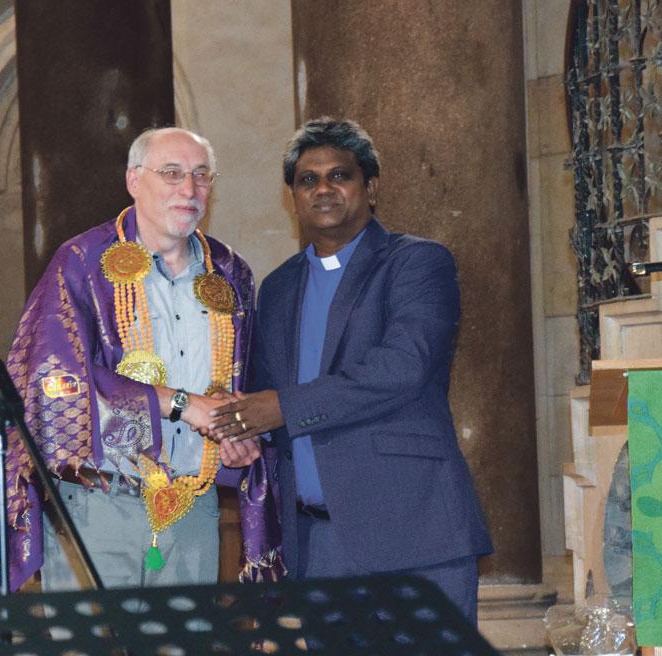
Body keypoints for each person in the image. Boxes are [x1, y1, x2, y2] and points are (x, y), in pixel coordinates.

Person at [0, 127, 282, 592]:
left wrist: (238, 431)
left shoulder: (231, 272)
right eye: (171, 173)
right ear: (134, 180)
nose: (188, 189)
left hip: (195, 507)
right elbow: (53, 377)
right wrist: (180, 403)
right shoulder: (83, 260)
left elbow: (246, 377)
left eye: (201, 175)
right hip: (101, 500)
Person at [208, 117, 492, 621]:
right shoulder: (276, 289)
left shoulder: (417, 263)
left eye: (339, 176)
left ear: (370, 188)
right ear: (293, 195)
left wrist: (280, 409)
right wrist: (241, 433)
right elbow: (262, 398)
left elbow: (402, 367)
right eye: (307, 179)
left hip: (413, 532)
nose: (323, 189)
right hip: (317, 546)